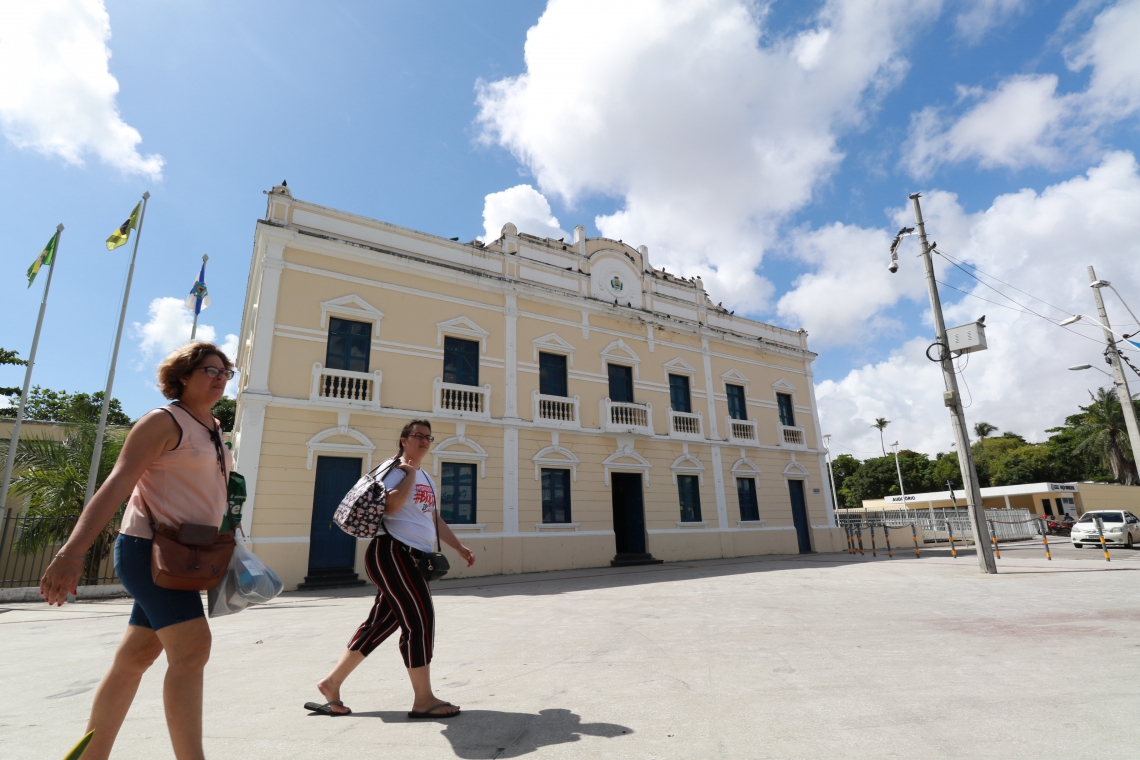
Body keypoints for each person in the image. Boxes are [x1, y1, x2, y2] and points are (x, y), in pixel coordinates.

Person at [39, 343, 235, 760]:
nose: (219, 377)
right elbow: (117, 484)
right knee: (194, 648)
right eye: (209, 369)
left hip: (187, 555)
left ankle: (90, 756)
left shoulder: (215, 427)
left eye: (225, 371)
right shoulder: (162, 421)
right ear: (183, 375)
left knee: (137, 656)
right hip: (149, 550)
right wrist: (72, 553)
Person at [310, 419, 476, 719]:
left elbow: (433, 519)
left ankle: (330, 684)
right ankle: (423, 700)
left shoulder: (425, 476)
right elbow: (391, 507)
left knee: (379, 625)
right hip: (393, 553)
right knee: (420, 620)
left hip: (411, 557)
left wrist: (459, 547)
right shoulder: (394, 470)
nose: (424, 441)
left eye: (428, 437)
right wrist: (408, 474)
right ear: (403, 439)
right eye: (417, 436)